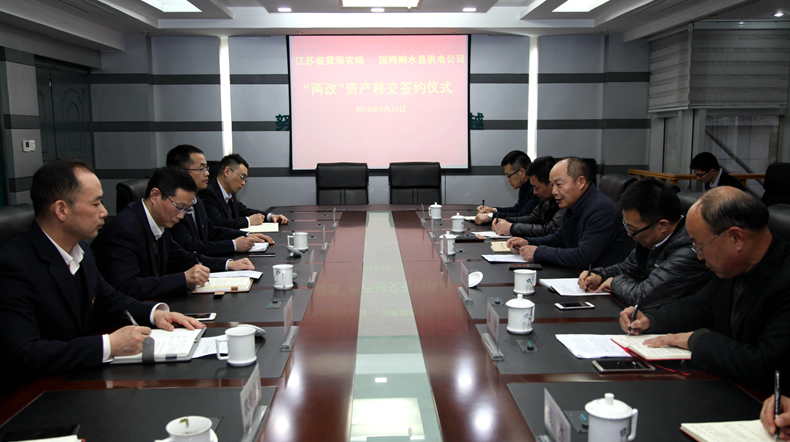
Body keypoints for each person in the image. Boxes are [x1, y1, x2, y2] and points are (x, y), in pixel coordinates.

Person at [0, 159, 203, 397]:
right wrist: (108, 345)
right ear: (62, 210)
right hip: (32, 398)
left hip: (76, 380)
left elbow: (108, 299)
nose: (105, 212)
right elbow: (24, 354)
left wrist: (154, 314)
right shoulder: (13, 266)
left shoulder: (81, 251)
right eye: (96, 203)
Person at [620, 187, 790, 393]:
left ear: (736, 238)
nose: (699, 256)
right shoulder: (733, 266)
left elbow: (767, 365)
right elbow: (700, 305)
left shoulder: (784, 281)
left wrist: (698, 340)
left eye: (699, 246)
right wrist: (650, 319)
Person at [92, 167, 255, 300]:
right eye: (179, 207)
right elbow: (127, 287)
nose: (182, 215)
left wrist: (228, 264)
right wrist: (183, 279)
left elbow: (181, 257)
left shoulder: (158, 221)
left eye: (187, 209)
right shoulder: (125, 230)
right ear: (155, 195)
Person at [577, 179, 712, 308]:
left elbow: (644, 295)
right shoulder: (651, 237)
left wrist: (615, 283)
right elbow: (630, 267)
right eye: (627, 227)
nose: (629, 234)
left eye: (633, 229)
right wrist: (599, 275)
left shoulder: (689, 249)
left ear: (663, 225)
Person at [506, 157, 634, 268]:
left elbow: (583, 256)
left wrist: (538, 252)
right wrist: (528, 242)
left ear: (581, 182)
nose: (554, 191)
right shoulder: (574, 204)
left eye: (559, 184)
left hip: (602, 281)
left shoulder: (601, 208)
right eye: (552, 185)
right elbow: (560, 238)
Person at [165, 145, 273, 256]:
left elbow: (211, 230)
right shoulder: (173, 208)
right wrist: (234, 245)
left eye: (206, 168)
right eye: (201, 169)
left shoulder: (197, 201)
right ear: (182, 172)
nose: (207, 173)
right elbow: (189, 247)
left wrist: (246, 235)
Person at [199, 154, 289, 229]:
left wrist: (270, 216)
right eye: (242, 177)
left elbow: (243, 211)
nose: (243, 183)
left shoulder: (230, 192)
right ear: (227, 172)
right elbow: (218, 223)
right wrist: (248, 221)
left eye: (245, 179)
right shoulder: (207, 192)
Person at [491, 156, 563, 237]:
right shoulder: (546, 199)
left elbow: (550, 229)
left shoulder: (565, 201)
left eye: (537, 188)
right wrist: (507, 221)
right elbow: (533, 218)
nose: (534, 192)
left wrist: (512, 228)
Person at [475, 150, 539, 225]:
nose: (508, 180)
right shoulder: (525, 185)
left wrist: (491, 216)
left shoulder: (536, 190)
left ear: (522, 172)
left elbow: (523, 216)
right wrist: (493, 210)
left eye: (509, 175)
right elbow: (517, 209)